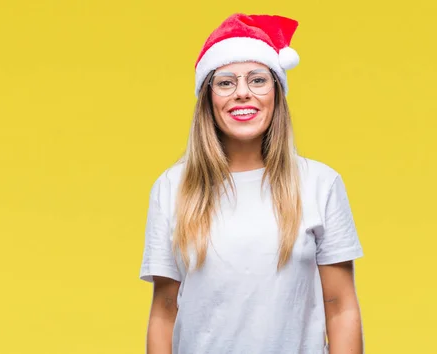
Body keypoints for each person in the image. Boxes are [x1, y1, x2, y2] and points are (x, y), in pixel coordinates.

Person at [138, 13, 364, 354]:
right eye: (226, 82)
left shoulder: (320, 184)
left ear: (276, 91)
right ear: (208, 98)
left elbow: (340, 305)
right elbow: (165, 310)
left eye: (258, 80)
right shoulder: (172, 188)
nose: (242, 93)